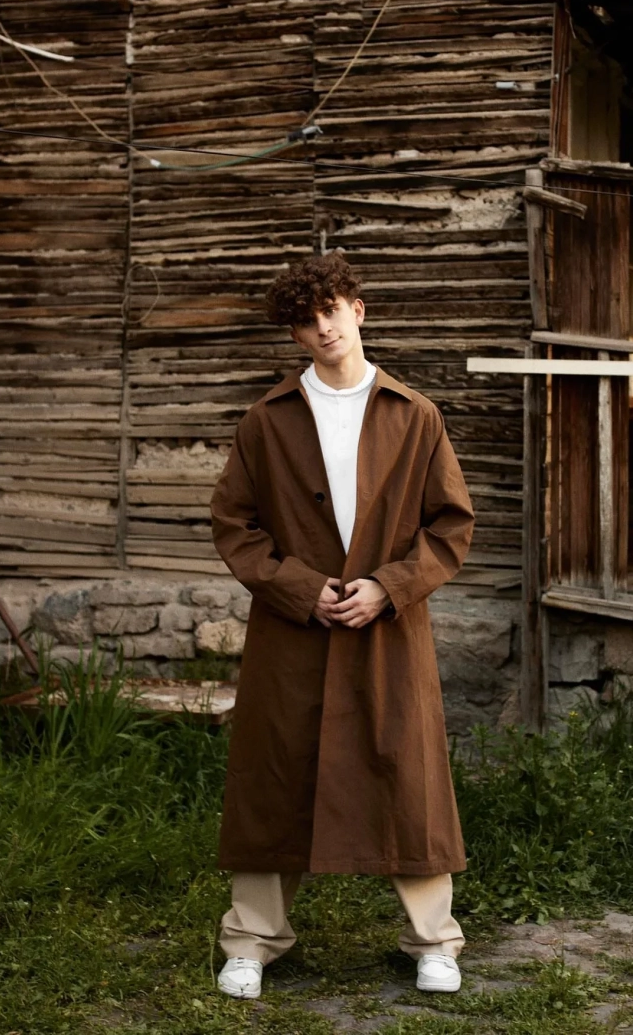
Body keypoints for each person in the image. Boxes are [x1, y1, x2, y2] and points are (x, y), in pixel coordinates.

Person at [210, 252, 475, 1000]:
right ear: (295, 334)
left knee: (408, 773)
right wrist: (301, 588)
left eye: (331, 309)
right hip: (293, 632)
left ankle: (433, 942)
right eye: (306, 319)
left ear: (358, 310)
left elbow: (450, 525)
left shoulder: (415, 414)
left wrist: (389, 587)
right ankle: (251, 941)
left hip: (388, 629)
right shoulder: (267, 421)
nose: (323, 327)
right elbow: (234, 525)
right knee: (275, 774)